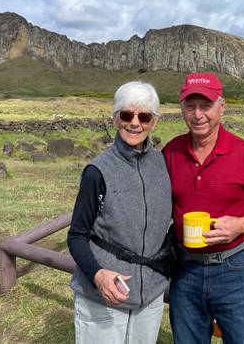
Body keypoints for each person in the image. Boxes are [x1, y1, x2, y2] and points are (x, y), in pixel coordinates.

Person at [163, 72, 244, 344]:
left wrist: (239, 225)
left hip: (237, 266)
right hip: (185, 267)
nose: (197, 115)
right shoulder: (171, 152)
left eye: (205, 106)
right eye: (190, 106)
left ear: (221, 106)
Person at [67, 81, 172, 344]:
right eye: (127, 114)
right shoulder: (97, 172)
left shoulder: (162, 164)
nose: (134, 123)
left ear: (154, 122)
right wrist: (97, 275)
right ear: (115, 118)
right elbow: (77, 235)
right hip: (105, 292)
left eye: (144, 116)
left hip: (150, 292)